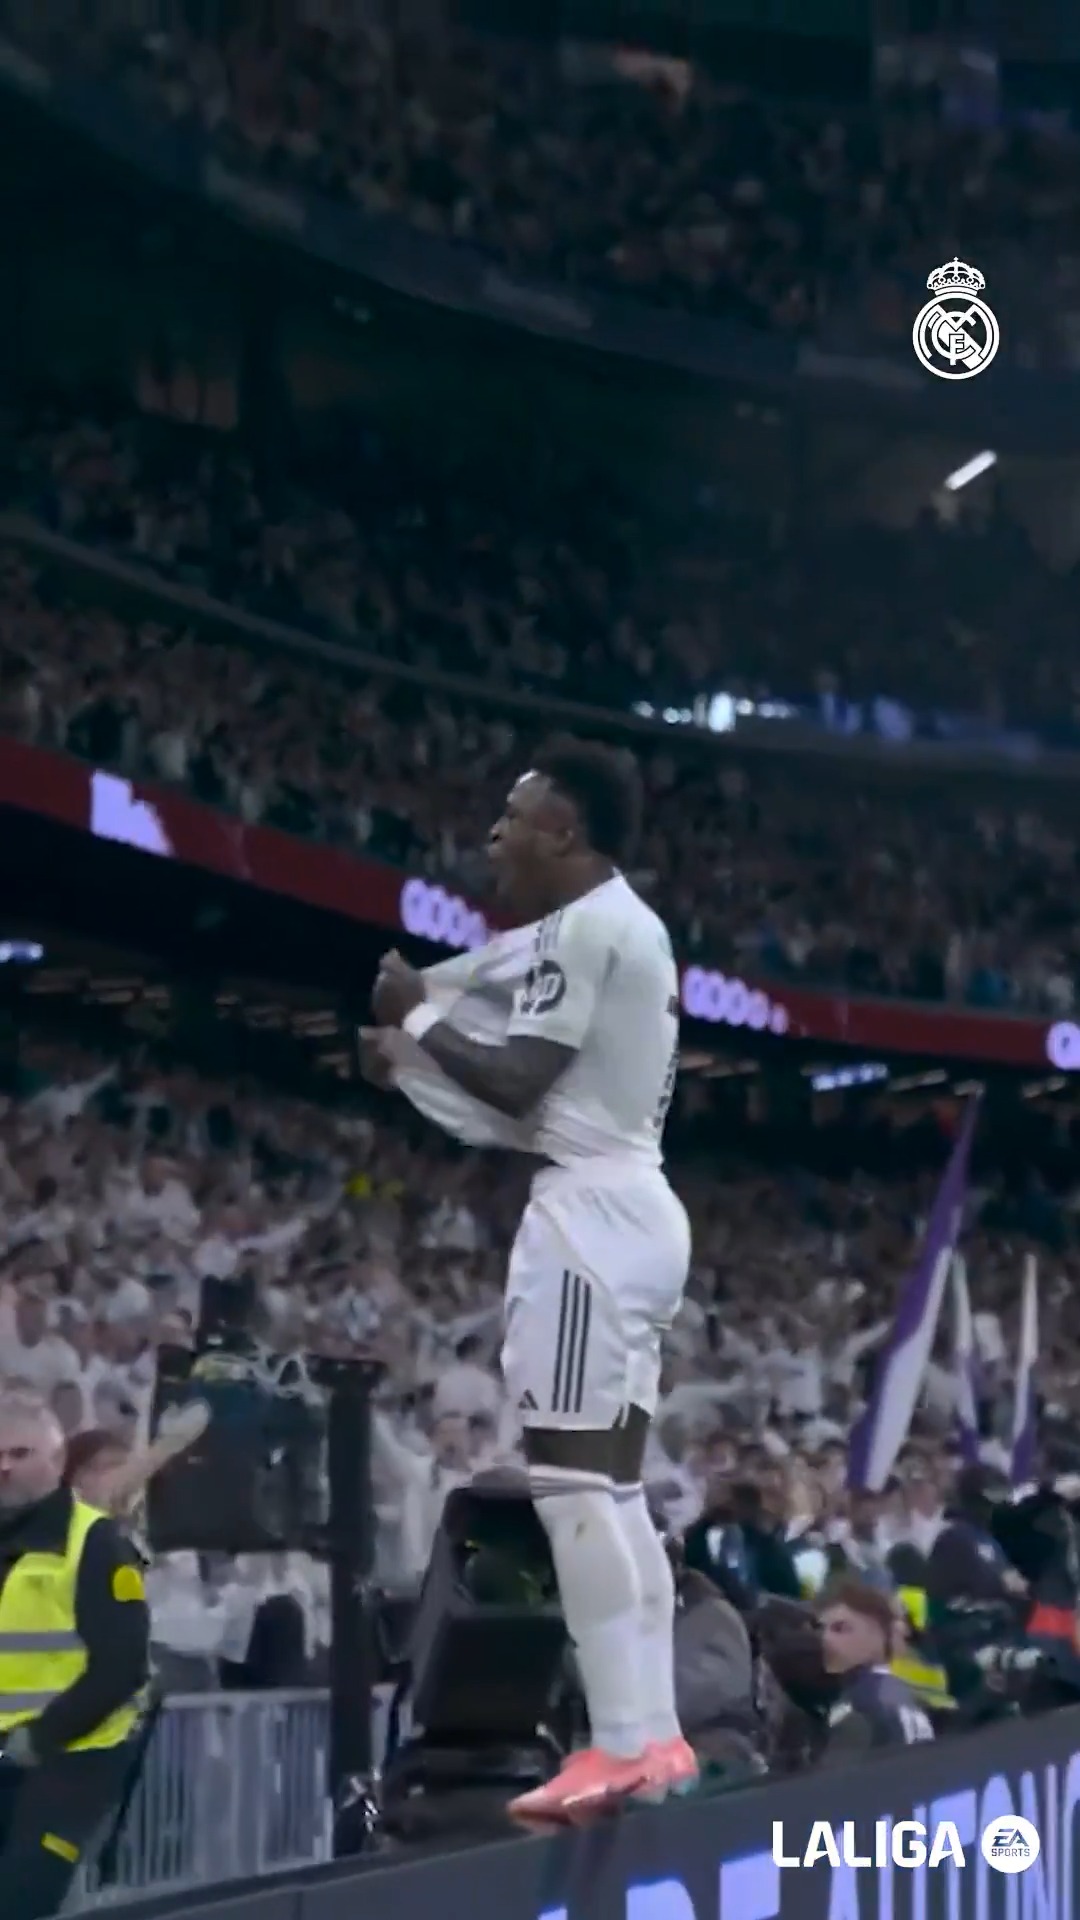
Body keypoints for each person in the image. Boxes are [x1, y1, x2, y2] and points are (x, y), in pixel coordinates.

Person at [366, 738, 693, 1818]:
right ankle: (657, 1738)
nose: (494, 835)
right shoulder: (630, 927)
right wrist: (417, 1059)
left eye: (513, 815)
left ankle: (617, 1742)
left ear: (564, 829)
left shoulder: (588, 928)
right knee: (616, 1491)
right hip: (637, 1205)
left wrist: (417, 1013)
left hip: (592, 1221)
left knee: (569, 1488)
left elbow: (517, 1080)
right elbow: (545, 1095)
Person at [0, 1391, 151, 1919]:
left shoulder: (95, 1543)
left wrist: (42, 1735)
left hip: (74, 1752)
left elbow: (122, 1665)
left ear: (56, 1459)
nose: (4, 1467)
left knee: (22, 1896)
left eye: (20, 1453)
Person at [815, 1579, 934, 1763]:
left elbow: (836, 1778)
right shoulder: (901, 1693)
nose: (825, 1639)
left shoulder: (859, 1706)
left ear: (879, 1636)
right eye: (822, 1629)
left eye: (841, 1628)